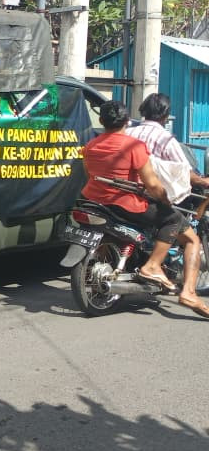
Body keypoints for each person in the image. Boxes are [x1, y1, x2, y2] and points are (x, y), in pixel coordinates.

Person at [81, 101, 209, 318]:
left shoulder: (90, 146)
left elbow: (89, 174)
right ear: (127, 121)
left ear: (101, 121)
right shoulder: (134, 146)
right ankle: (168, 277)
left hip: (94, 201)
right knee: (175, 221)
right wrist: (165, 202)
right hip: (126, 204)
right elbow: (153, 185)